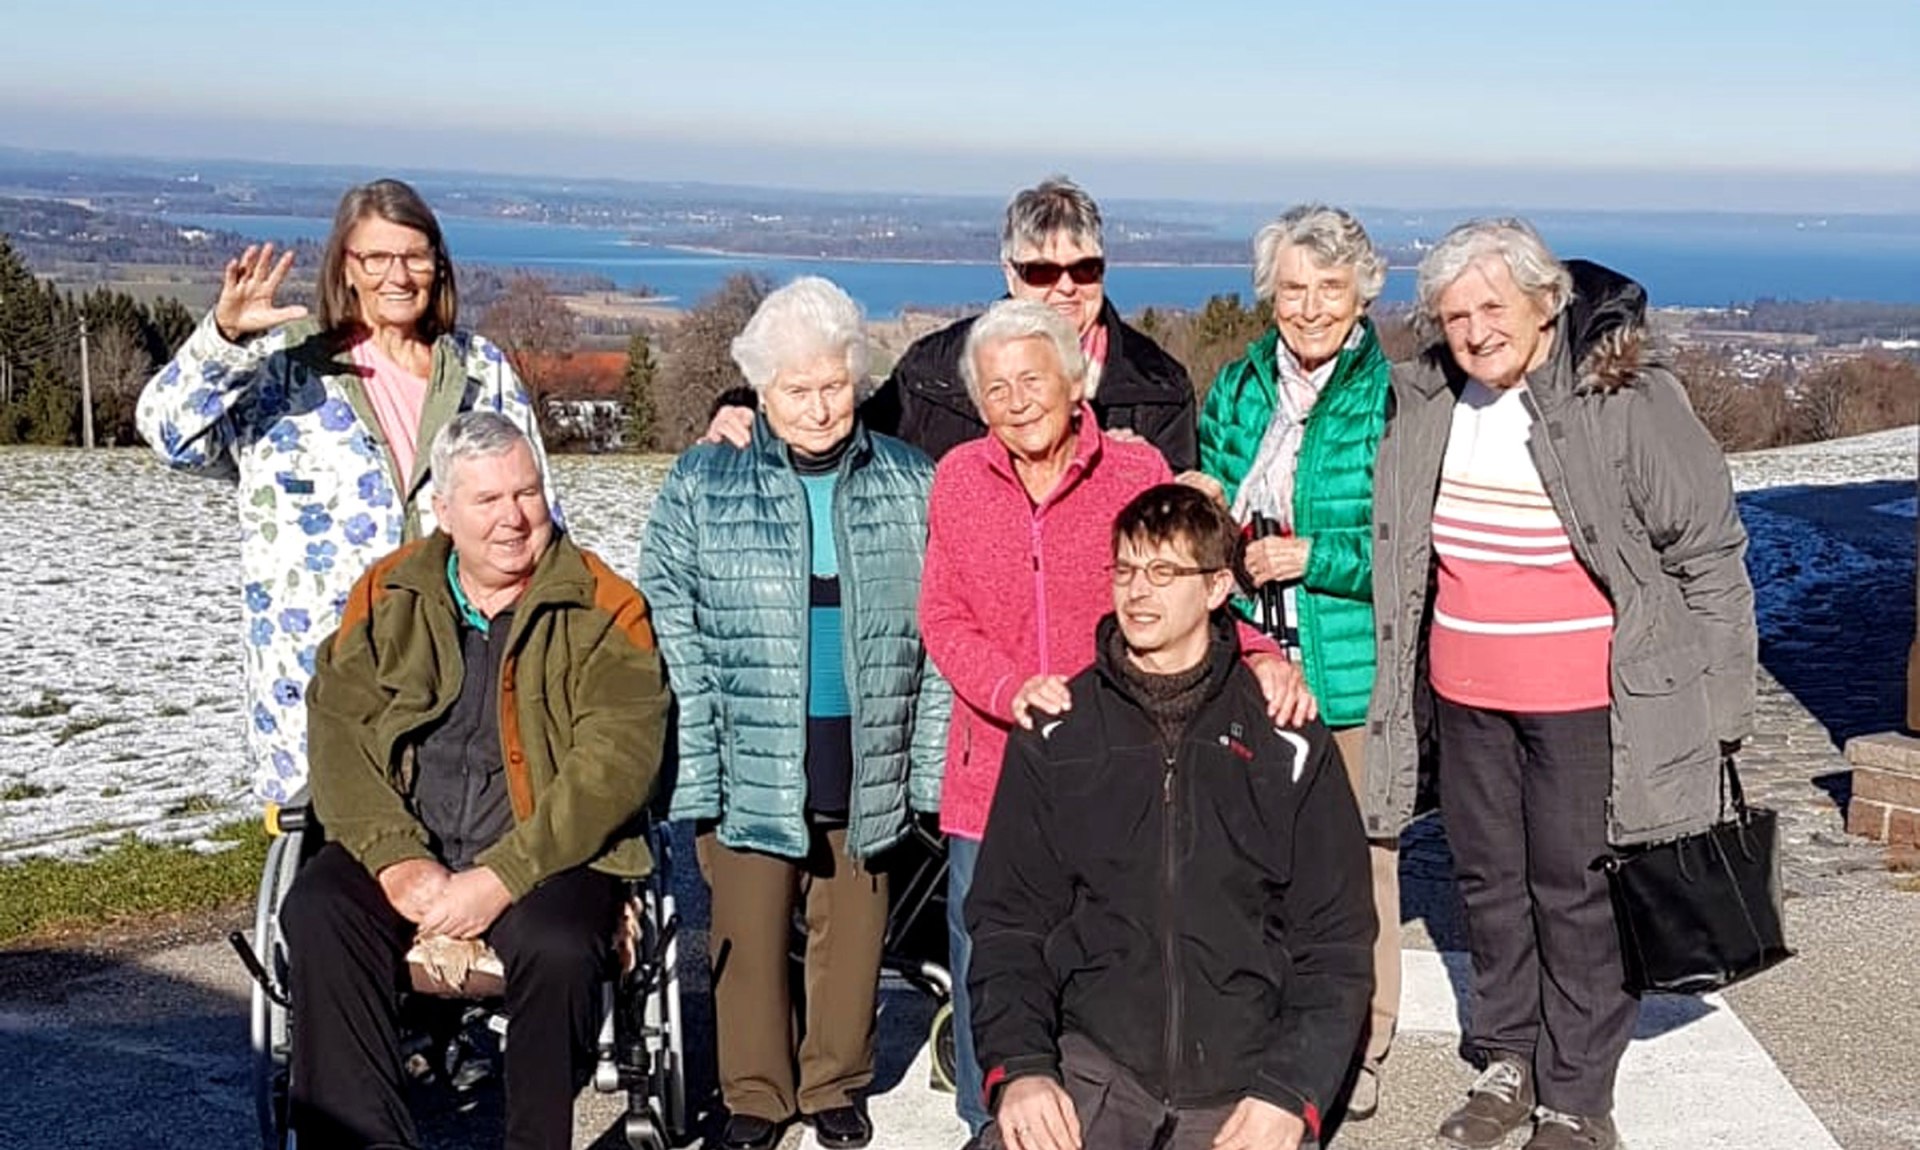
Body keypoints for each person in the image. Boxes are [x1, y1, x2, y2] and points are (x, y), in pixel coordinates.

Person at [1370, 219, 1756, 1150]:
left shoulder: (1620, 397)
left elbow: (1707, 553)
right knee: (1490, 881)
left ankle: (1576, 1097)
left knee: (1576, 889)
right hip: (1468, 693)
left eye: (1492, 307)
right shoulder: (1430, 398)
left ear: (1547, 303)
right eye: (1454, 314)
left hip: (1587, 698)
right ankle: (1508, 1058)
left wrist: (1721, 709)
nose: (1474, 330)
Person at [918, 298, 1314, 1146]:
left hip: (1122, 756)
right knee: (993, 946)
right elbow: (943, 616)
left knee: (1108, 949)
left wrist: (1260, 655)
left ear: (1076, 381)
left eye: (1033, 379)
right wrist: (1011, 686)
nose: (1016, 400)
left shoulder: (1134, 477)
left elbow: (1187, 583)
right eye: (996, 389)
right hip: (994, 759)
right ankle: (996, 1117)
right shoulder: (957, 479)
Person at [284, 412, 667, 1150]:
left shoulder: (604, 605)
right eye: (488, 501)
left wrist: (501, 876)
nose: (513, 518)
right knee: (318, 910)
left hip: (547, 853)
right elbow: (337, 728)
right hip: (409, 844)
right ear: (445, 511)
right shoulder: (388, 595)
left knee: (559, 945)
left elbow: (618, 758)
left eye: (527, 494)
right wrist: (397, 861)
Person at [638, 277, 950, 1150]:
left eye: (833, 386)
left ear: (856, 378)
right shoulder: (707, 479)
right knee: (744, 931)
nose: (818, 408)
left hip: (865, 745)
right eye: (795, 391)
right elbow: (670, 615)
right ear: (761, 394)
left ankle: (836, 1084)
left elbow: (937, 632)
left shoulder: (910, 482)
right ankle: (756, 1093)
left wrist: (923, 764)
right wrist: (695, 765)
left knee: (851, 934)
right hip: (748, 750)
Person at [966, 484, 1374, 1150]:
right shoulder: (1060, 732)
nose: (1138, 592)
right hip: (1096, 1063)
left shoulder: (1285, 738)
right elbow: (1008, 924)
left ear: (1217, 589)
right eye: (1125, 570)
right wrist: (1024, 1072)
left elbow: (1336, 943)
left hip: (1245, 1080)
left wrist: (1290, 1093)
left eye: (1164, 572)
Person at [135, 178, 555, 804]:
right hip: (320, 674)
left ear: (439, 266)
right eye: (376, 258)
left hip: (464, 669)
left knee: (460, 857)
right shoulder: (283, 366)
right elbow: (169, 434)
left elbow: (538, 510)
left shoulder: (480, 371)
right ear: (346, 268)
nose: (398, 275)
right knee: (331, 874)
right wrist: (223, 339)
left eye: (415, 256)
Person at [1184, 204, 1400, 1119]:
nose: (1309, 308)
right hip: (1248, 654)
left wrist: (1319, 557)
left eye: (1329, 289)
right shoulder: (1237, 387)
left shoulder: (1390, 393)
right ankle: (1266, 1031)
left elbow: (1405, 542)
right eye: (1293, 289)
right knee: (1253, 858)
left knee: (1356, 861)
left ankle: (1365, 1041)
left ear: (1362, 293)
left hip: (1347, 663)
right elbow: (1214, 498)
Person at [705, 176, 1197, 470]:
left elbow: (1177, 543)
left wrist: (1137, 475)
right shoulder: (933, 371)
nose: (1065, 288)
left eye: (1084, 268)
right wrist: (750, 410)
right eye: (1042, 271)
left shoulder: (1158, 388)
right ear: (1010, 273)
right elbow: (842, 434)